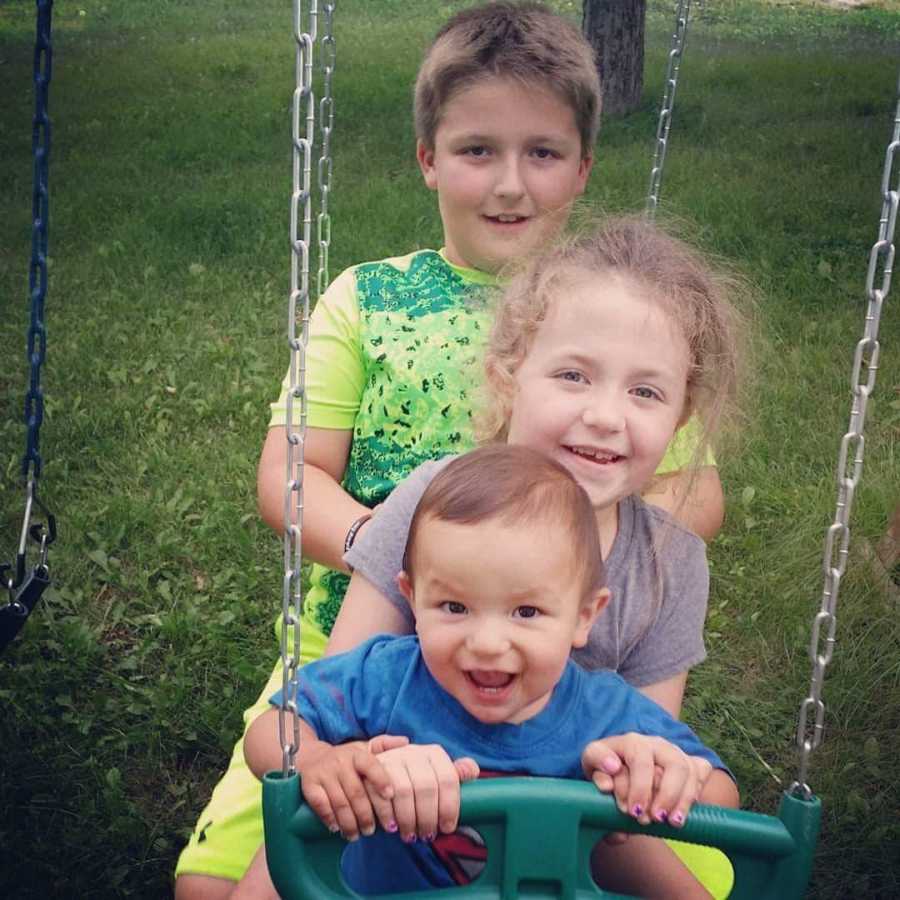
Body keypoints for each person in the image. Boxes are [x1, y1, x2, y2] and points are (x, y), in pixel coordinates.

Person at [175, 4, 726, 896]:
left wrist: (545, 554)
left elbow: (693, 496)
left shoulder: (634, 316)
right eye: (478, 150)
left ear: (582, 168)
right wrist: (414, 552)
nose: (510, 184)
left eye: (542, 152)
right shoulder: (369, 298)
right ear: (429, 157)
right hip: (384, 636)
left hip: (571, 682)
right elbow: (288, 475)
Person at [242, 445, 739, 898]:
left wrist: (666, 775)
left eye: (525, 613)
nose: (485, 644)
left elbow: (723, 797)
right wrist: (321, 762)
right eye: (454, 606)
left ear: (584, 616)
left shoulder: (605, 715)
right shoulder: (387, 678)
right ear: (412, 598)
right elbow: (272, 731)